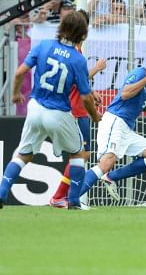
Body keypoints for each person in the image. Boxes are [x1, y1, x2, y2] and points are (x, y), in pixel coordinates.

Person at [0, 10, 102, 209]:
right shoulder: (77, 59)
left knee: (23, 154)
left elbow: (19, 72)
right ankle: (74, 202)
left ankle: (0, 195)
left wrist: (16, 93)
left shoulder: (43, 46)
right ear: (83, 34)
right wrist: (95, 116)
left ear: (61, 26)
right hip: (58, 112)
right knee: (78, 154)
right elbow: (85, 96)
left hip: (35, 108)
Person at [77, 49, 146, 202]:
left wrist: (143, 106)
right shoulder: (142, 73)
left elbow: (131, 97)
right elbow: (125, 94)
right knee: (106, 162)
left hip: (126, 127)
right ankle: (71, 199)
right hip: (115, 121)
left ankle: (111, 177)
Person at [50, 54, 107, 209]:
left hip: (80, 111)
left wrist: (90, 91)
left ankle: (65, 197)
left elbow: (78, 82)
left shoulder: (76, 49)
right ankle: (62, 198)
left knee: (84, 155)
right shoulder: (73, 51)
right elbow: (76, 79)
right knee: (80, 155)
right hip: (74, 111)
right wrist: (97, 69)